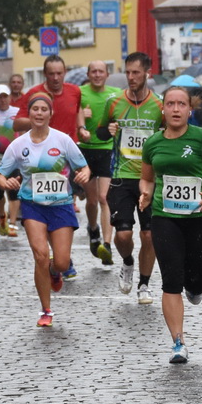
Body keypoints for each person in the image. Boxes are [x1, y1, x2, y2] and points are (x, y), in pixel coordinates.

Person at [139, 84, 202, 363]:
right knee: (171, 281)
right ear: (163, 109)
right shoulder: (153, 143)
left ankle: (195, 286)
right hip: (164, 216)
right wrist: (145, 193)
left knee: (196, 282)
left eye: (181, 104)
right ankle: (178, 342)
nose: (176, 109)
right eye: (170, 104)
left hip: (199, 218)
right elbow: (147, 178)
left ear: (190, 110)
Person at [0, 93, 90, 327]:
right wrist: (6, 182)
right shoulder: (18, 145)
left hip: (61, 205)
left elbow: (84, 167)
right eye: (35, 109)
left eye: (43, 109)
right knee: (40, 255)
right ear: (29, 113)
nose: (39, 113)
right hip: (33, 205)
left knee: (61, 262)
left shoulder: (63, 140)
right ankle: (45, 310)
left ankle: (54, 271)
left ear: (51, 113)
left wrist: (84, 175)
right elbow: (0, 174)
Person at [101, 52, 163, 302]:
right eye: (127, 72)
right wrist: (108, 130)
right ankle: (127, 262)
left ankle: (144, 284)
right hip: (121, 176)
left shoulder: (159, 104)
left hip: (149, 178)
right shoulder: (114, 102)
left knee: (149, 235)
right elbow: (101, 132)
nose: (131, 77)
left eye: (136, 72)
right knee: (123, 235)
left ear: (148, 73)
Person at [78, 60, 120, 263]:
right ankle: (93, 228)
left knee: (104, 198)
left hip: (107, 149)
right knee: (92, 200)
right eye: (93, 71)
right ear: (88, 74)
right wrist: (81, 117)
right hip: (85, 149)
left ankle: (107, 245)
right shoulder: (79, 93)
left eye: (100, 71)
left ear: (107, 74)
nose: (97, 75)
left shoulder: (115, 94)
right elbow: (70, 114)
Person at [23, 54, 84, 141]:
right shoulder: (34, 93)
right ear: (44, 73)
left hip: (69, 144)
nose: (55, 78)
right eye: (51, 74)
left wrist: (82, 127)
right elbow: (17, 124)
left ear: (65, 72)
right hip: (44, 144)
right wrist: (39, 119)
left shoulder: (75, 91)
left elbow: (78, 111)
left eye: (59, 73)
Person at [0, 84, 20, 236]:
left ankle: (12, 224)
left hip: (13, 155)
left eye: (5, 97)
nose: (3, 100)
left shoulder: (17, 112)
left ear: (10, 97)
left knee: (14, 189)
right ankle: (2, 215)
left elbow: (24, 130)